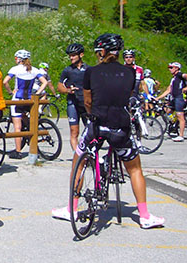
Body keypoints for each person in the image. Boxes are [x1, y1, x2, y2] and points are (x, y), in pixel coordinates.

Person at [52, 33, 164, 229]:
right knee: (135, 169)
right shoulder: (130, 73)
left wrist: (91, 114)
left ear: (102, 52)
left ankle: (71, 209)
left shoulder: (91, 72)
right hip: (120, 125)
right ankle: (145, 216)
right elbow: (128, 97)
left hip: (97, 124)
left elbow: (87, 101)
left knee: (78, 161)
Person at [3, 50, 47, 157]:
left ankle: (18, 151)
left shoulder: (15, 69)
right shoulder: (34, 70)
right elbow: (45, 82)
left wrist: (10, 91)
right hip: (29, 100)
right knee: (27, 121)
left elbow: (5, 82)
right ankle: (30, 132)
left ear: (18, 59)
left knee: (17, 127)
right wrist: (37, 93)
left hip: (17, 99)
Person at [57, 43, 89, 153]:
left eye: (74, 55)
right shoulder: (67, 70)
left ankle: (89, 154)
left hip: (86, 103)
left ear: (81, 55)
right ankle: (78, 156)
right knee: (74, 131)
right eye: (70, 55)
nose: (71, 57)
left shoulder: (89, 69)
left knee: (90, 131)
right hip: (73, 103)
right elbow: (59, 86)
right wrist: (67, 90)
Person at [156, 62, 187, 142]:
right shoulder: (174, 78)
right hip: (174, 98)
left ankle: (181, 136)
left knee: (180, 116)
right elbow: (168, 90)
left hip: (180, 98)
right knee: (167, 110)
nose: (170, 69)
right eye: (169, 68)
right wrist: (158, 98)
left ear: (176, 68)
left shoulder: (179, 74)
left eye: (171, 67)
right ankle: (174, 125)